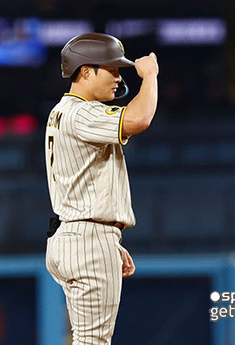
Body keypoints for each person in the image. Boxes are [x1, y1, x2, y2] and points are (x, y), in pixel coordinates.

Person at [45, 33, 158, 344]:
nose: (118, 78)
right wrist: (150, 75)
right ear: (85, 71)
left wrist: (106, 239)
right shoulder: (81, 112)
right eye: (112, 69)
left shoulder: (62, 111)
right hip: (85, 239)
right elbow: (139, 118)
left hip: (73, 234)